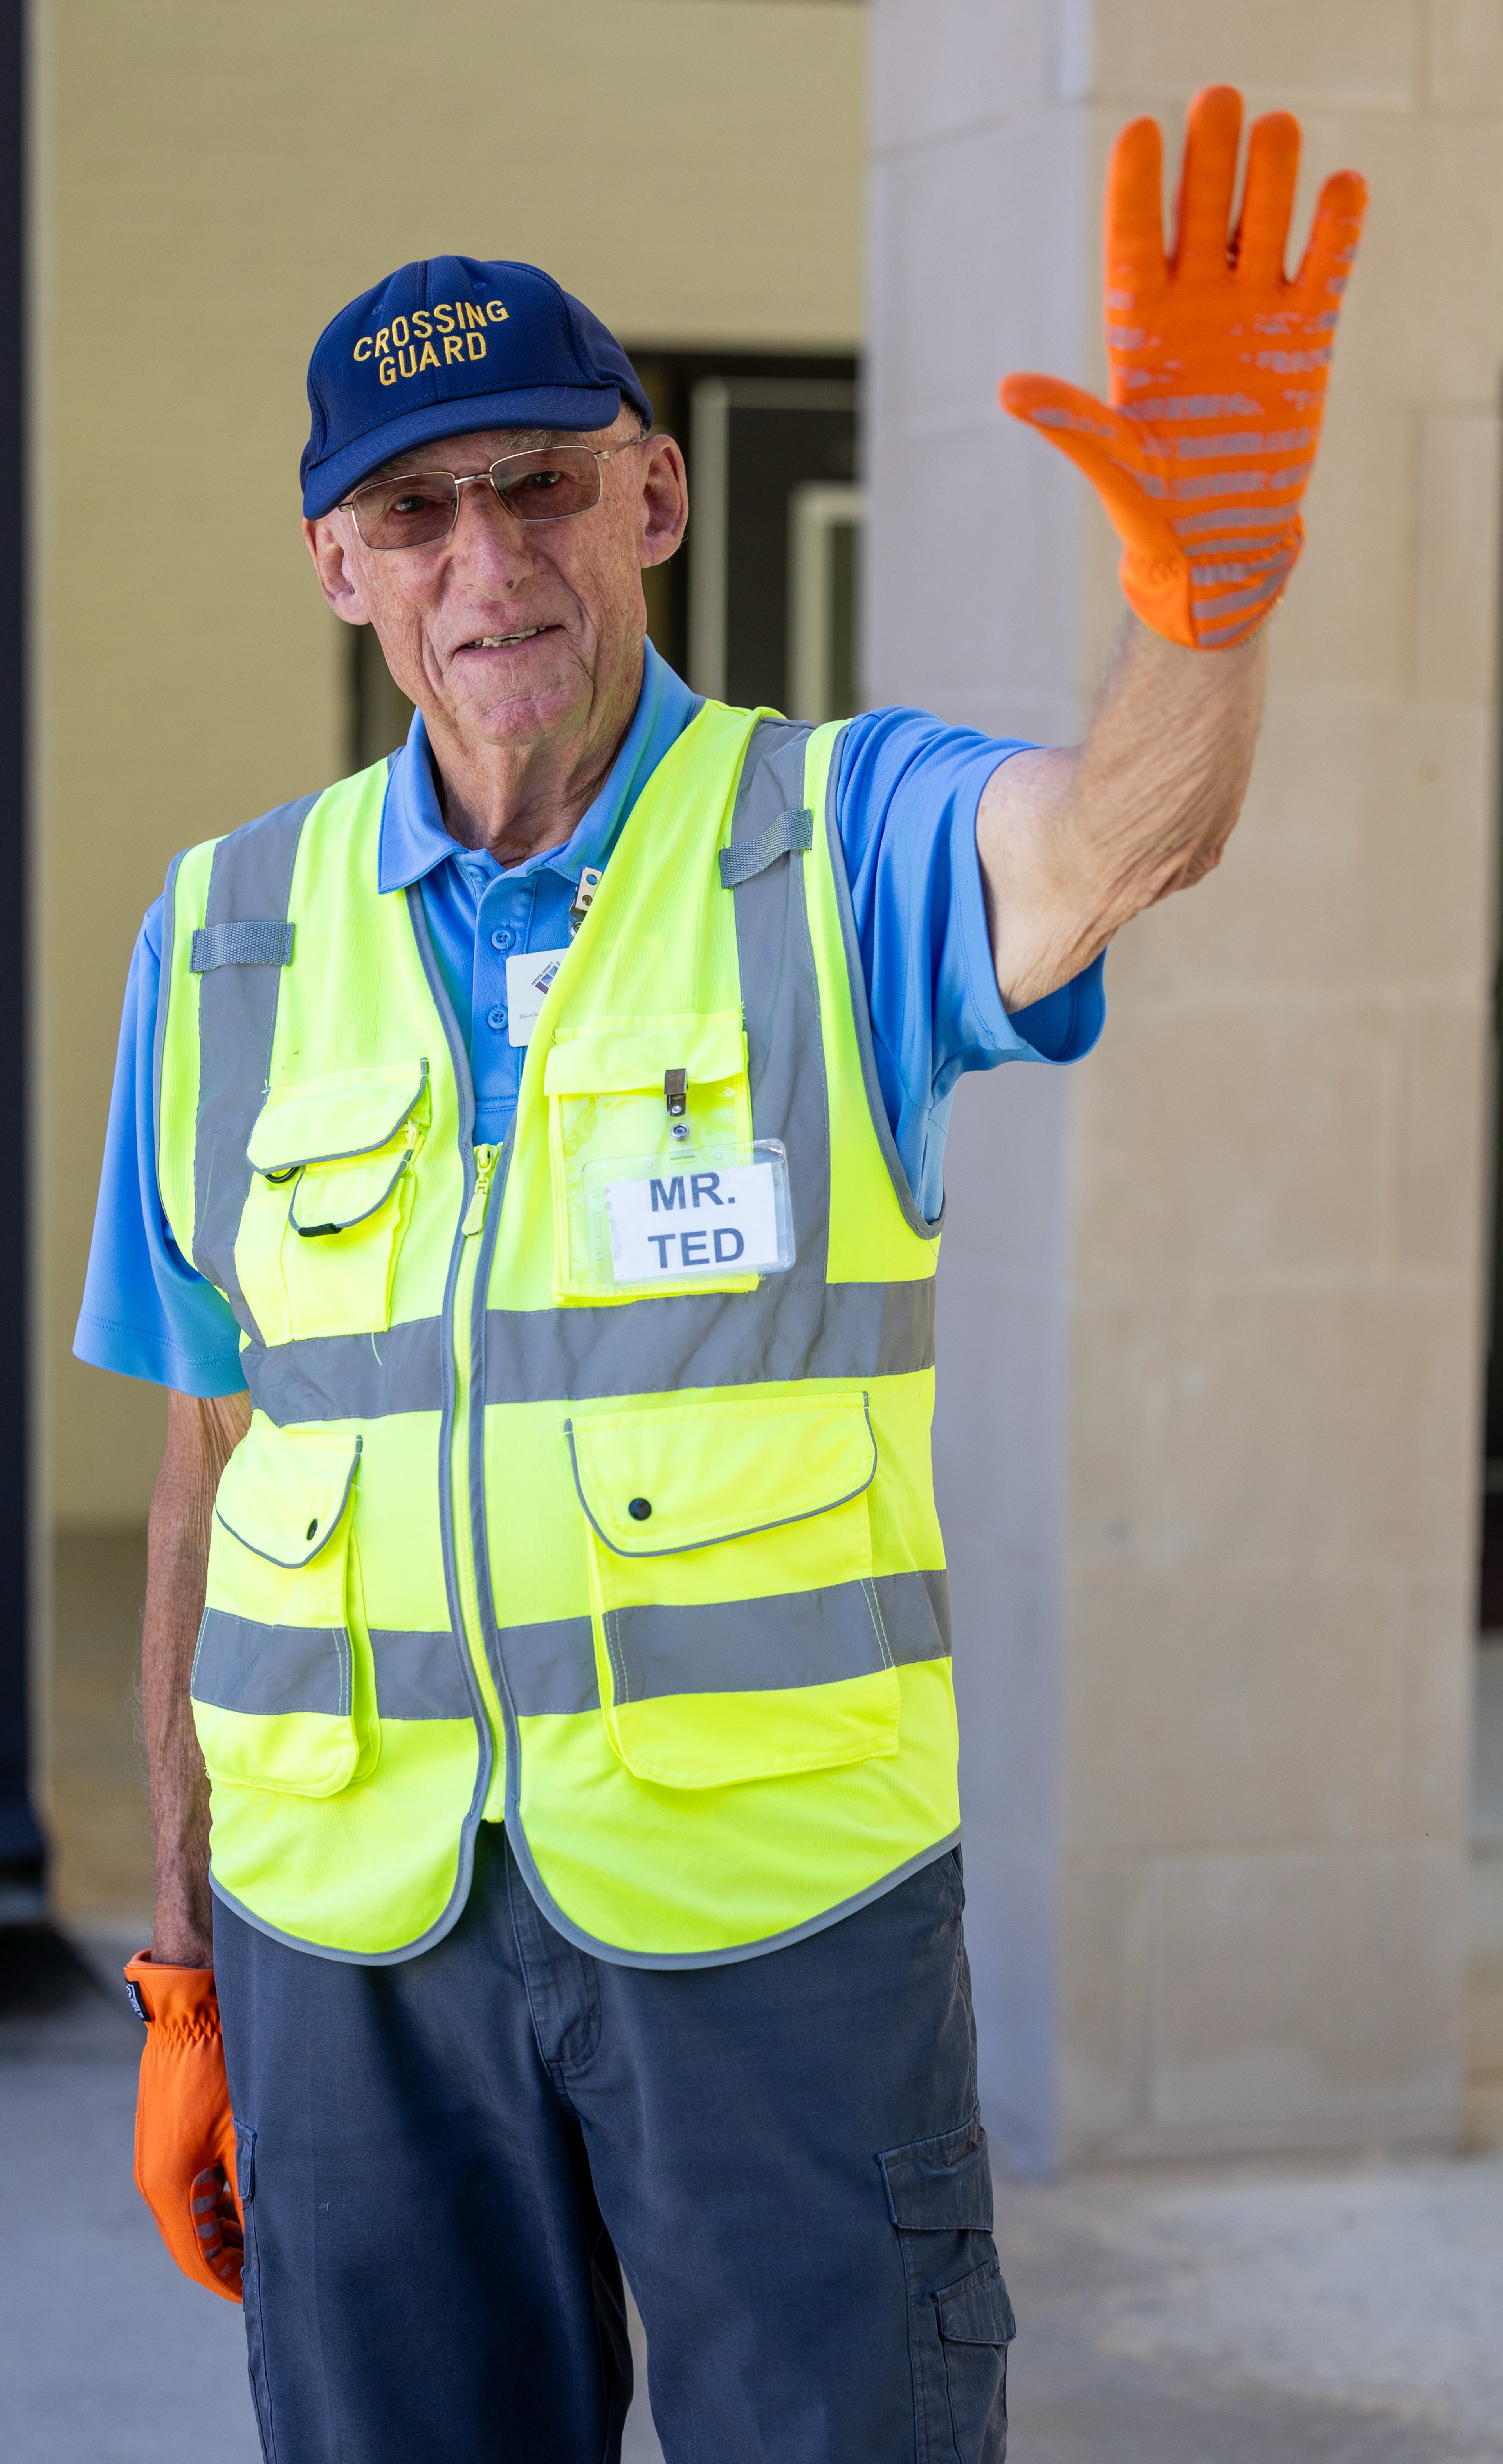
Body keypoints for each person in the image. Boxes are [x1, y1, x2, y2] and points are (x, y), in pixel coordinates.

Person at [79, 86, 1364, 2464]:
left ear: (653, 498)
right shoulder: (226, 931)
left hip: (771, 1941)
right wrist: (181, 1958)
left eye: (543, 481)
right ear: (338, 564)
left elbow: (1114, 839)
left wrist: (1211, 603)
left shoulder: (829, 841)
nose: (490, 563)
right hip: (346, 1949)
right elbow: (205, 1464)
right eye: (414, 508)